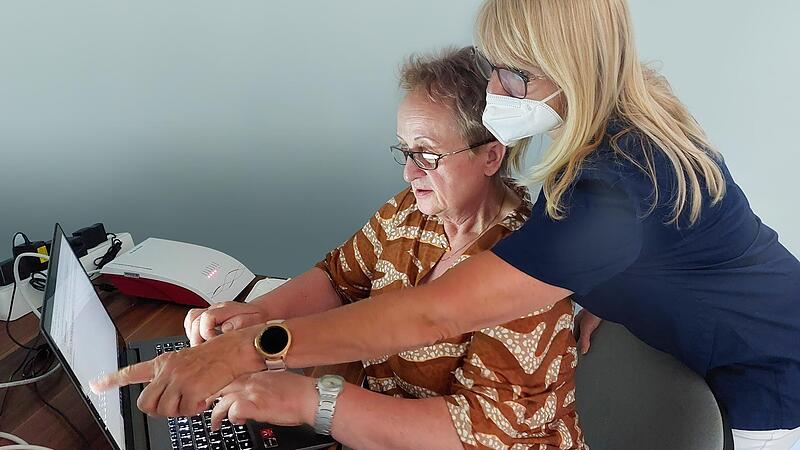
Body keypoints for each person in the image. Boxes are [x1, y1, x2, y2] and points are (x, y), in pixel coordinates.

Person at [94, 1, 800, 448]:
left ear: (570, 72)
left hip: (776, 376)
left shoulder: (617, 193)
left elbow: (431, 315)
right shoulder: (617, 118)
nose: (498, 93)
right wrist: (603, 299)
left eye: (514, 78)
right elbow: (349, 278)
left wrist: (255, 353)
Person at [98, 47, 587, 449]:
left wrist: (312, 401)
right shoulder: (411, 212)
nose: (409, 173)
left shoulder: (526, 269)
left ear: (491, 155)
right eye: (405, 151)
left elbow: (478, 433)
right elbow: (338, 277)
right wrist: (258, 316)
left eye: (427, 155)